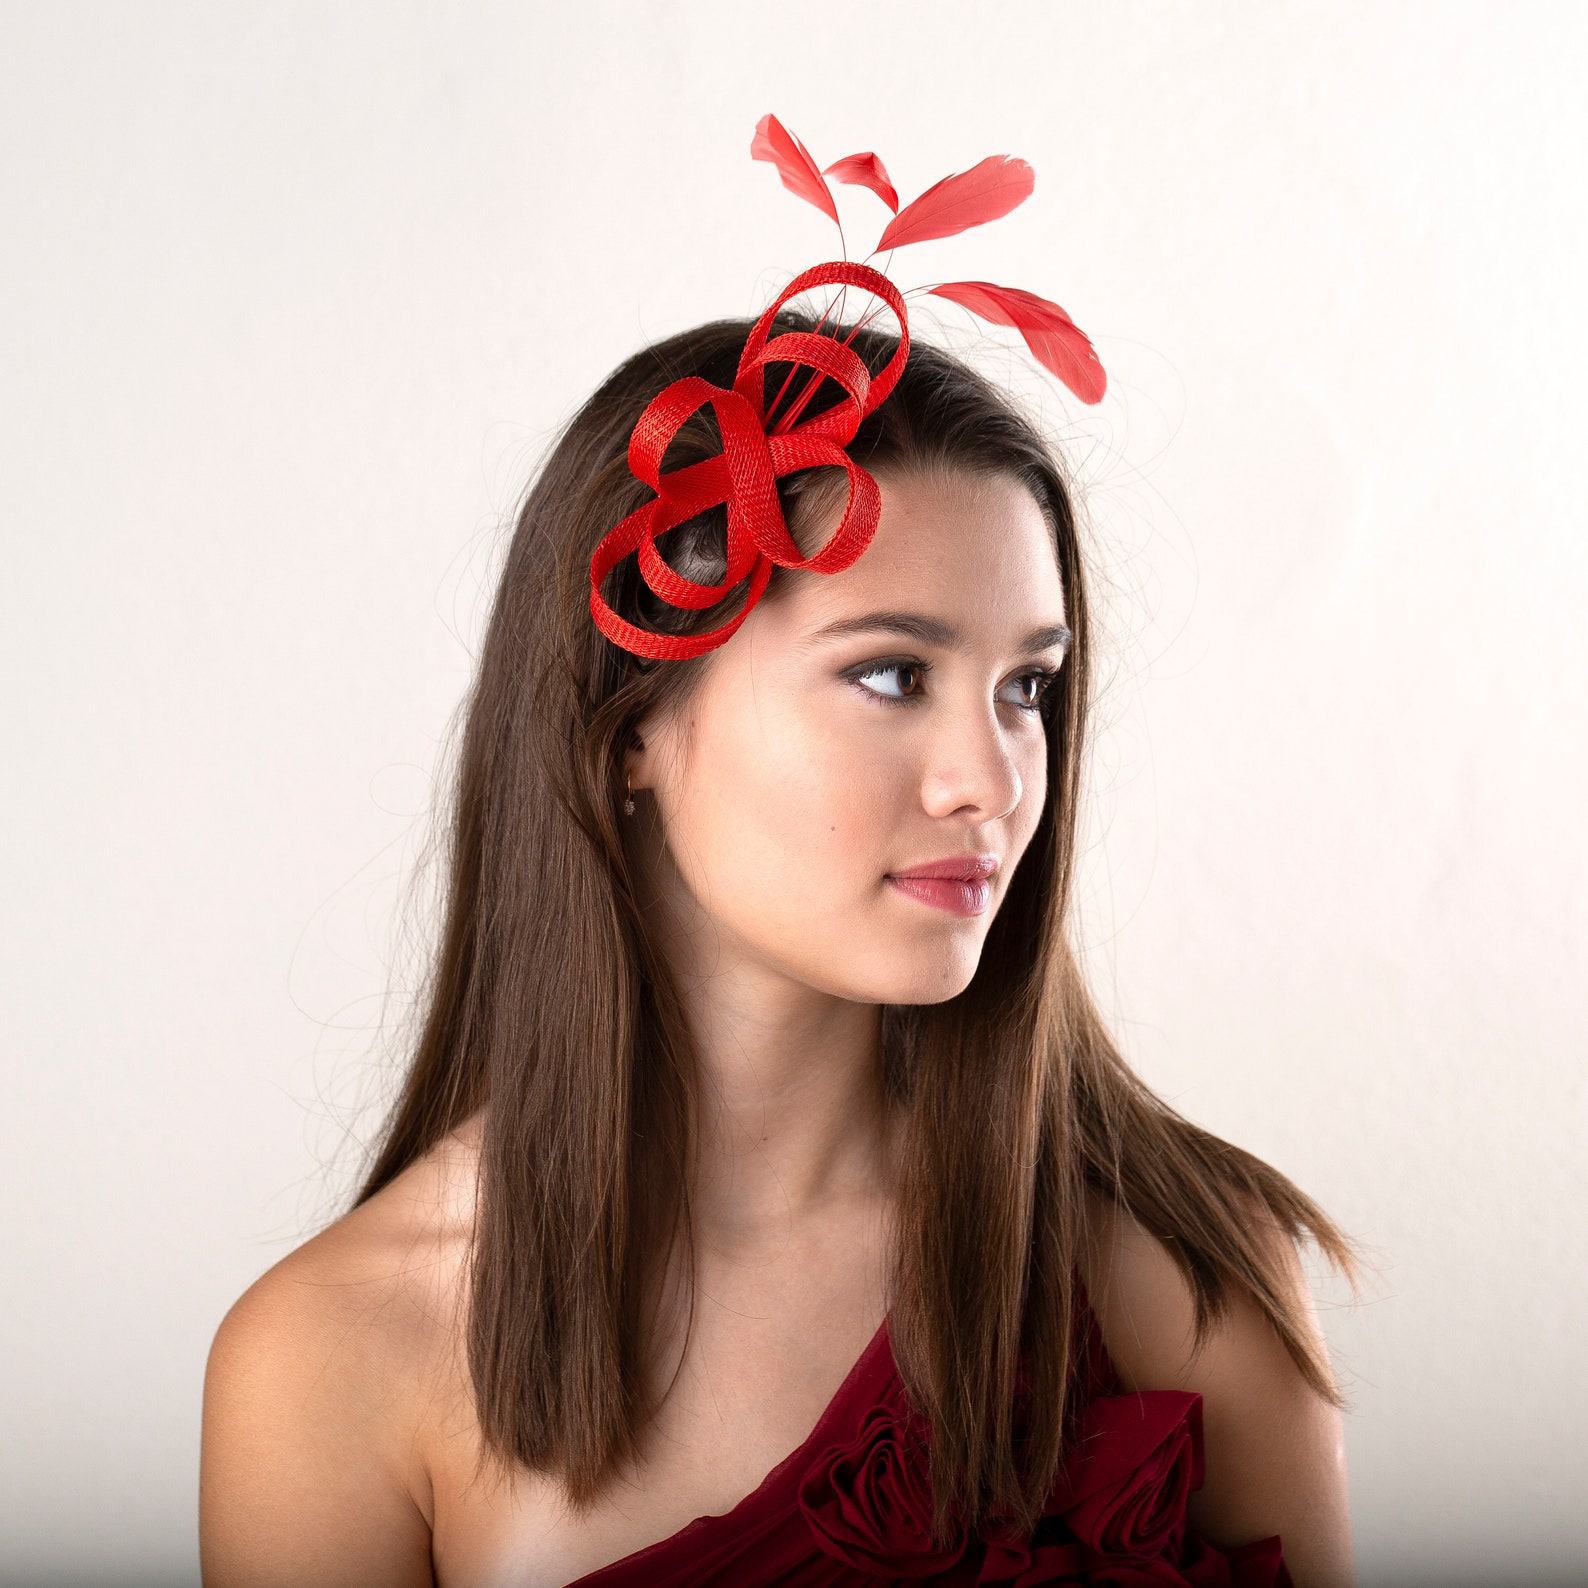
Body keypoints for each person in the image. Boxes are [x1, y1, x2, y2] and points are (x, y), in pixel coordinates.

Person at [199, 120, 1363, 1587]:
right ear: (633, 726)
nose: (991, 780)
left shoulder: (1177, 1273)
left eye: (1027, 686)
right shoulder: (329, 1365)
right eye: (892, 674)